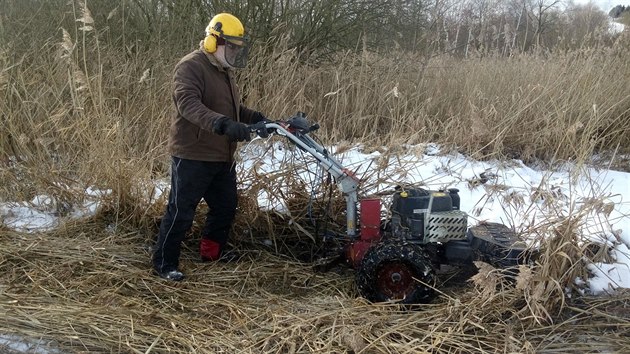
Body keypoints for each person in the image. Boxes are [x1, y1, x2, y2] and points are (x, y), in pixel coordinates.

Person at [153, 13, 267, 281]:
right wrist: (224, 125)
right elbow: (189, 105)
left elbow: (231, 109)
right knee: (181, 211)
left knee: (226, 207)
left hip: (222, 155)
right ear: (214, 41)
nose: (237, 52)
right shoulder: (191, 67)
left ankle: (211, 253)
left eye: (240, 48)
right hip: (193, 154)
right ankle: (164, 263)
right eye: (233, 47)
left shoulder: (224, 70)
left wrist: (256, 118)